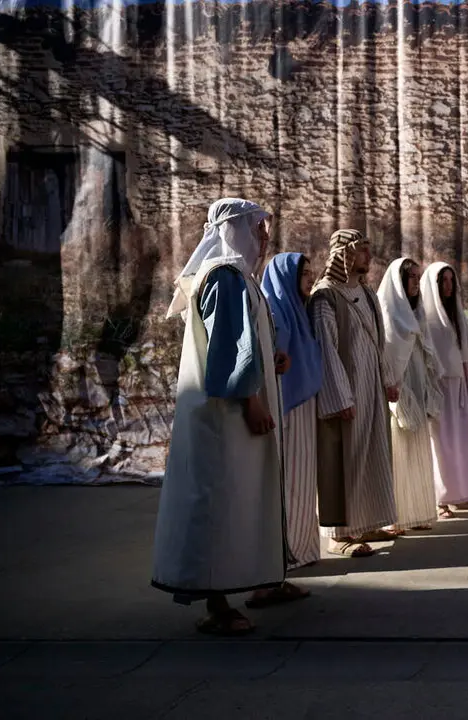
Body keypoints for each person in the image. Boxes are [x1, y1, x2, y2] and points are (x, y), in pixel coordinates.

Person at [152, 198, 307, 636]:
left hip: (239, 413)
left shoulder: (242, 279)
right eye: (258, 227)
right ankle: (216, 604)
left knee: (245, 499)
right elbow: (225, 352)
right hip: (226, 418)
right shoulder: (225, 277)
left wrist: (269, 358)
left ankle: (260, 580)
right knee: (220, 500)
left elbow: (246, 341)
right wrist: (252, 400)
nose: (265, 235)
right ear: (235, 228)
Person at [310, 230, 398, 557]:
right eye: (362, 251)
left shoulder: (366, 292)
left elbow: (380, 341)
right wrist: (340, 397)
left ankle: (365, 521)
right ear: (344, 254)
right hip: (346, 393)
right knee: (345, 459)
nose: (368, 257)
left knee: (372, 454)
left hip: (371, 387)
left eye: (368, 250)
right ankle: (340, 535)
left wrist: (387, 378)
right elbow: (326, 350)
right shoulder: (325, 296)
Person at [261, 252, 324, 571]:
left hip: (302, 405)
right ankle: (289, 551)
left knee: (302, 481)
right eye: (304, 274)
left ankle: (303, 547)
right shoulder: (274, 311)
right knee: (291, 482)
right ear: (286, 278)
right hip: (286, 410)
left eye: (312, 273)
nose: (311, 278)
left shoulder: (299, 312)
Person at [378, 258, 444, 531]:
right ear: (399, 281)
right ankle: (394, 517)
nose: (417, 282)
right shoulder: (388, 312)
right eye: (412, 277)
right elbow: (389, 354)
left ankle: (417, 512)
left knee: (418, 447)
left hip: (417, 384)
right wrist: (394, 384)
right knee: (399, 450)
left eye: (419, 276)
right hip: (398, 389)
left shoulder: (417, 314)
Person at [420, 261, 468, 518]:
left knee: (460, 443)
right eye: (442, 281)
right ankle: (440, 501)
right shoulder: (425, 318)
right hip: (438, 388)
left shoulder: (455, 315)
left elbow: (464, 353)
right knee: (440, 443)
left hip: (456, 387)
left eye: (450, 280)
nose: (448, 286)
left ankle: (460, 494)